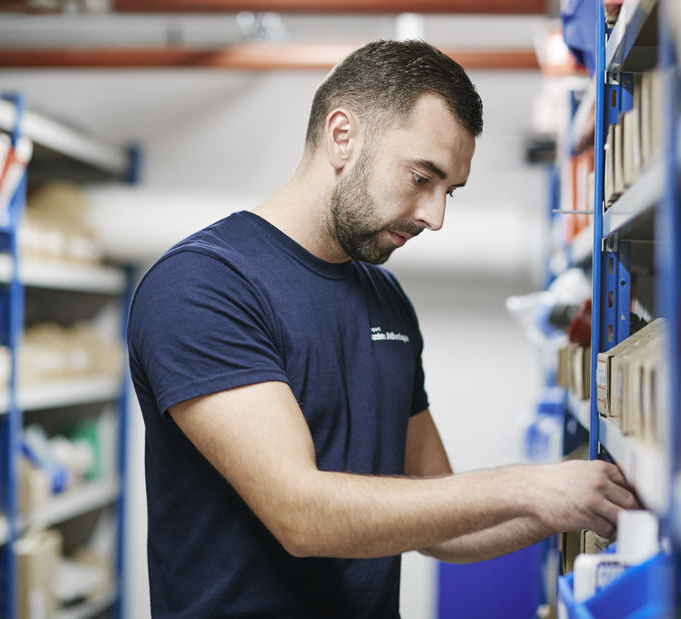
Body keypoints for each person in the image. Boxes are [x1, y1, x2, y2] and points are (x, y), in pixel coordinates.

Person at [127, 39, 637, 618]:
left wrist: (577, 501)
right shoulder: (204, 286)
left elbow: (445, 528)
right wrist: (530, 488)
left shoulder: (384, 297)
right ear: (342, 135)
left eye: (450, 192)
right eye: (423, 177)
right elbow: (301, 515)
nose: (435, 217)